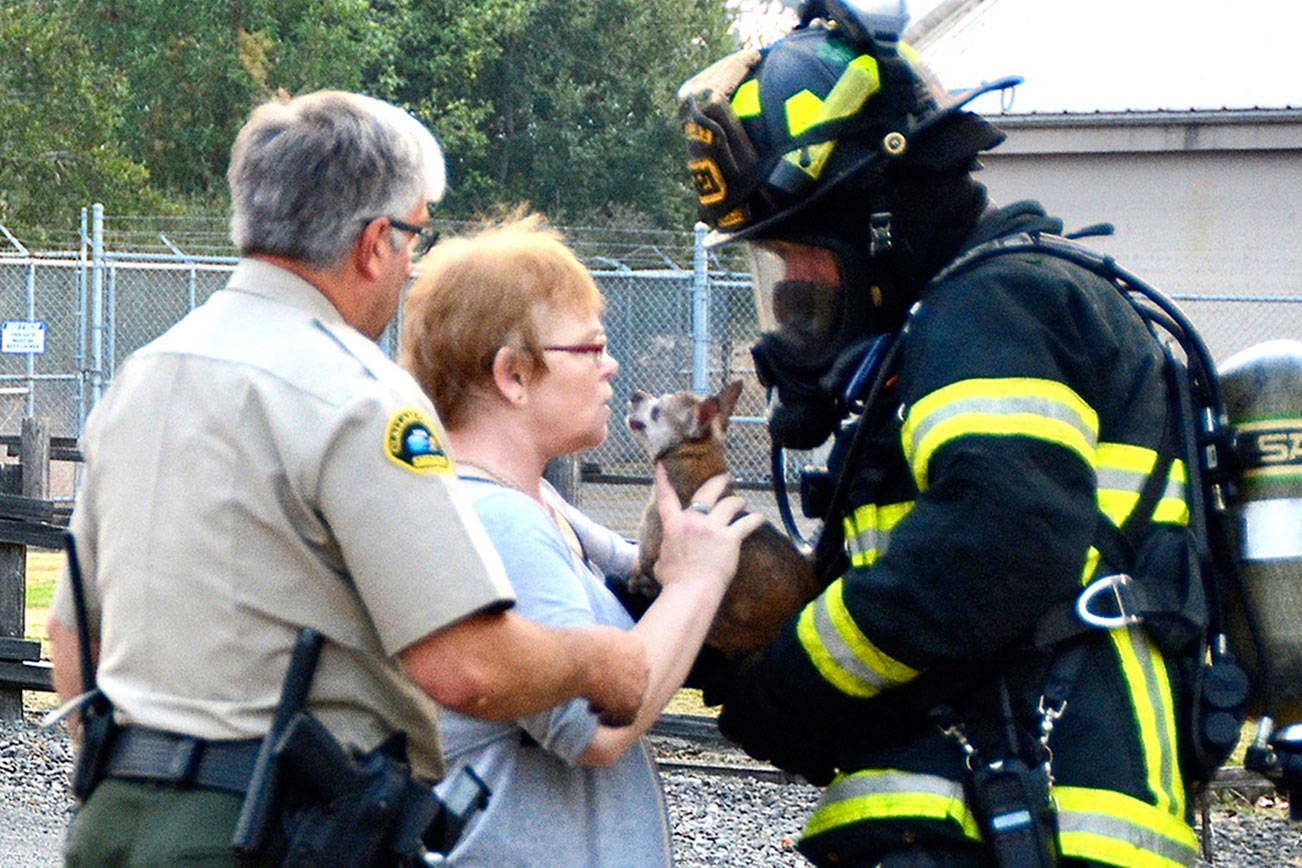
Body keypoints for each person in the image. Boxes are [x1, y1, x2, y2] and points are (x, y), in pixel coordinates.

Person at [46, 90, 651, 866]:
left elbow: (73, 638)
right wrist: (602, 660)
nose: (409, 268)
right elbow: (463, 666)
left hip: (114, 822)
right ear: (374, 242)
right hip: (270, 831)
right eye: (414, 240)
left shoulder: (146, 375)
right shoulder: (361, 393)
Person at [674, 4, 1202, 867]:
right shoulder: (940, 330)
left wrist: (790, 682)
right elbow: (925, 604)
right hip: (989, 818)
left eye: (805, 249)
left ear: (881, 216)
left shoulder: (995, 309)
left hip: (1035, 821)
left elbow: (994, 540)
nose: (794, 285)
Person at [400, 214, 766, 867]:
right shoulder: (498, 522)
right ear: (513, 375)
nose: (612, 365)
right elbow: (595, 728)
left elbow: (635, 585)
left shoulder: (531, 505)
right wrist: (699, 580)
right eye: (592, 348)